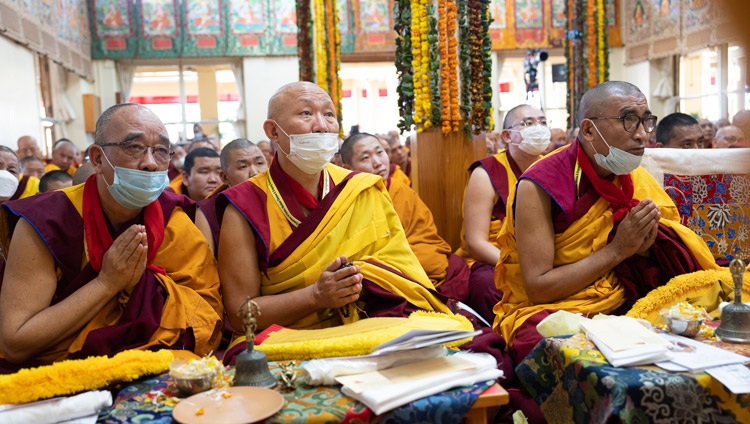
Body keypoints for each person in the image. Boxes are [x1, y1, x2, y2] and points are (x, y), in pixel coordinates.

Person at [216, 82, 450, 355]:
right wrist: (315, 296)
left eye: (329, 114)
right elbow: (240, 315)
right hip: (286, 337)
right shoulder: (245, 205)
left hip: (366, 324)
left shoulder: (361, 189)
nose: (321, 126)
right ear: (273, 132)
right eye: (305, 113)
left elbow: (402, 277)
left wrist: (366, 284)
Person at [494, 81, 718, 366]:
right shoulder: (541, 184)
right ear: (588, 130)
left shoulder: (637, 176)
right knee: (546, 345)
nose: (642, 136)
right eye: (628, 121)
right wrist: (618, 250)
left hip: (627, 295)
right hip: (557, 306)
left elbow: (666, 256)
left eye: (645, 121)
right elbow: (538, 288)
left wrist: (646, 249)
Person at [0, 103, 223, 372]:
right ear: (97, 159)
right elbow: (16, 342)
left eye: (161, 151)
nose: (150, 163)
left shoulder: (177, 217)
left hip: (163, 371)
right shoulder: (47, 220)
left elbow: (208, 314)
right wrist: (107, 283)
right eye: (134, 147)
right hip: (67, 379)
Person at [340, 133, 470, 302]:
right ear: (348, 168)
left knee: (455, 266)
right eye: (366, 157)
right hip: (380, 272)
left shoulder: (401, 191)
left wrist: (404, 261)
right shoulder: (345, 201)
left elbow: (427, 238)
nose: (378, 162)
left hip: (412, 261)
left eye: (380, 152)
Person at [455, 104, 549, 324]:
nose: (538, 128)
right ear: (507, 135)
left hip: (543, 257)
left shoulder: (551, 166)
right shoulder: (486, 173)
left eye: (543, 122)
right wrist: (523, 267)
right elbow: (476, 243)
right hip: (496, 261)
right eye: (528, 123)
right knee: (490, 288)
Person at [198, 139, 268, 251]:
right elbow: (207, 264)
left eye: (260, 163)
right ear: (225, 177)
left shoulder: (280, 198)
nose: (255, 172)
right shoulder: (208, 211)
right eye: (243, 167)